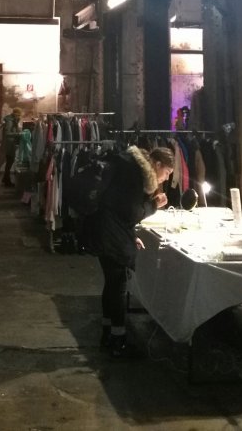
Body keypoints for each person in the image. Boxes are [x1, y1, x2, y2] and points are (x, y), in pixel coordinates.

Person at [94, 145, 173, 357]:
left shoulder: (129, 167)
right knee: (118, 287)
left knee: (111, 284)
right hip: (112, 237)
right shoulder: (135, 175)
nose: (166, 178)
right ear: (157, 165)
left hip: (105, 231)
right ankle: (118, 342)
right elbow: (131, 212)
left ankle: (107, 332)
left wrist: (131, 234)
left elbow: (120, 209)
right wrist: (153, 205)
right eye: (166, 172)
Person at [0, 106, 22, 187]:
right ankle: (7, 181)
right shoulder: (9, 121)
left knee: (9, 162)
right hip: (9, 144)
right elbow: (8, 133)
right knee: (9, 162)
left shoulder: (12, 120)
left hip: (10, 143)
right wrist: (18, 134)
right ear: (15, 114)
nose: (19, 117)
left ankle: (5, 178)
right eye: (18, 115)